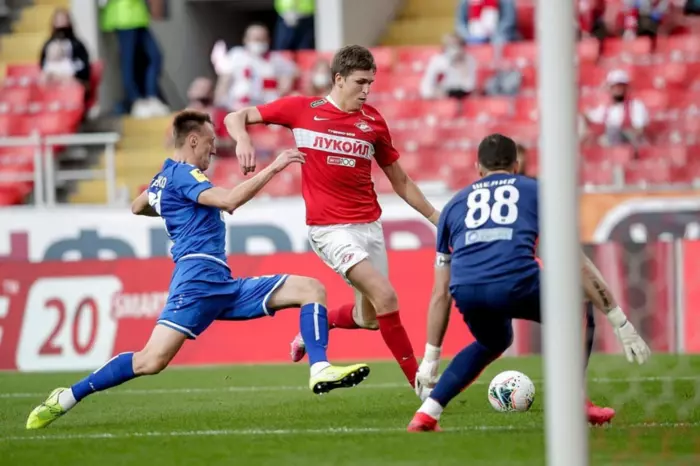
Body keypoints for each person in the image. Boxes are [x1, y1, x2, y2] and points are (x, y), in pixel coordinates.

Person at [25, 110, 369, 430]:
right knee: (150, 361)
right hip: (195, 281)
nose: (213, 151)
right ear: (192, 140)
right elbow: (229, 201)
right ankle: (67, 396)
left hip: (221, 283)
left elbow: (138, 205)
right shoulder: (184, 174)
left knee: (311, 288)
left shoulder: (165, 178)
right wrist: (275, 167)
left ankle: (320, 368)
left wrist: (169, 205)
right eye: (210, 143)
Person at [224, 45, 441, 391]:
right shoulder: (301, 109)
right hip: (330, 229)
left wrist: (436, 217)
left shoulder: (373, 121)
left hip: (369, 227)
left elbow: (400, 180)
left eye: (370, 83)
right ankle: (425, 389)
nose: (366, 91)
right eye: (360, 82)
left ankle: (321, 324)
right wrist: (243, 141)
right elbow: (235, 117)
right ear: (339, 79)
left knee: (369, 318)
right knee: (386, 296)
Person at [407, 134, 651, 432]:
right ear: (516, 165)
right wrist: (619, 320)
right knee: (578, 305)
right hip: (515, 280)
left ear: (478, 168)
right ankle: (575, 401)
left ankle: (427, 413)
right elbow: (575, 261)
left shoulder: (453, 206)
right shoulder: (536, 191)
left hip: (466, 290)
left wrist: (431, 357)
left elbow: (440, 292)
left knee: (494, 340)